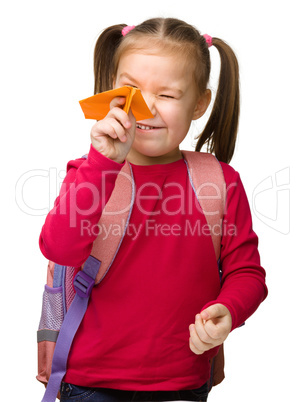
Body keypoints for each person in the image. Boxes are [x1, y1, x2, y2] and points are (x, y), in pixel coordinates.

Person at [39, 17, 268, 402]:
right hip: (90, 382)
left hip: (182, 380)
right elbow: (58, 248)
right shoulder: (89, 170)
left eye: (166, 95)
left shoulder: (220, 182)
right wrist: (102, 164)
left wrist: (229, 310)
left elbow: (246, 271)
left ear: (199, 104)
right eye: (131, 89)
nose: (144, 106)